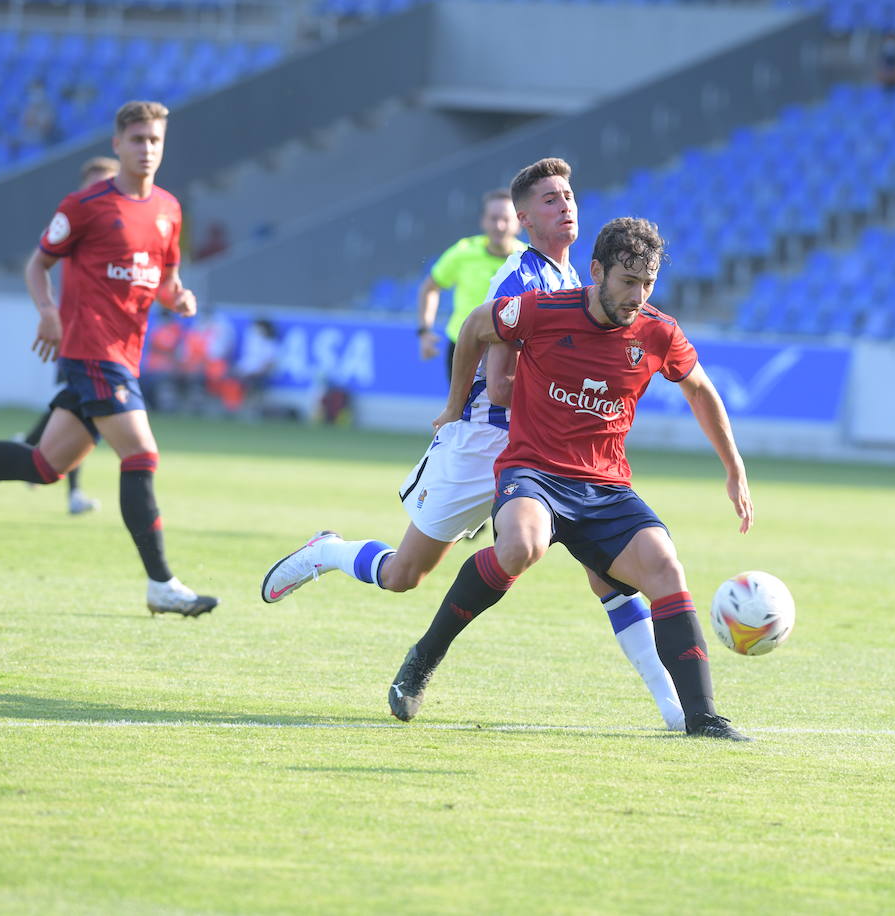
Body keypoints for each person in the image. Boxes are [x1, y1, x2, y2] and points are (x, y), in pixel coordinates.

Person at [261, 158, 686, 731]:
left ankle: (675, 709)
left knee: (610, 573)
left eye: (569, 195)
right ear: (523, 217)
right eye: (551, 199)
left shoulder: (579, 283)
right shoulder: (521, 278)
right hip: (488, 440)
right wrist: (467, 406)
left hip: (548, 455)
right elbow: (503, 379)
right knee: (404, 573)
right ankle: (329, 552)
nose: (566, 206)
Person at [391, 217, 755, 740]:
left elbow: (699, 388)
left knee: (666, 568)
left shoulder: (657, 331)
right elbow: (474, 327)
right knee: (520, 545)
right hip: (533, 471)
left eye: (647, 283)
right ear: (597, 271)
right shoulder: (543, 310)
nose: (637, 295)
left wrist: (733, 465)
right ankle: (425, 656)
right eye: (627, 282)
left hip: (605, 487)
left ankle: (702, 716)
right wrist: (453, 405)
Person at [0, 100, 218, 618]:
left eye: (155, 140)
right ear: (117, 143)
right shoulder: (86, 205)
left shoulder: (169, 210)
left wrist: (179, 299)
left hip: (124, 356)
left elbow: (165, 281)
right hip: (91, 350)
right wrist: (47, 312)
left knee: (44, 465)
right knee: (141, 455)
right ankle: (161, 583)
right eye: (137, 139)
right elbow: (38, 265)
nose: (147, 149)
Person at [18, 155, 122, 517]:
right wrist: (50, 312)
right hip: (78, 336)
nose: (101, 191)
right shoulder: (77, 225)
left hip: (106, 340)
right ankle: (65, 486)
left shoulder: (117, 225)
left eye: (107, 183)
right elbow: (39, 263)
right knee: (84, 410)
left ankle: (29, 448)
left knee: (76, 408)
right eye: (94, 184)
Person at [416, 189, 525, 379]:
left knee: (508, 408)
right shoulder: (463, 252)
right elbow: (430, 287)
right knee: (460, 409)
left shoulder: (527, 260)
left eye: (506, 219)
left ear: (518, 223)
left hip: (509, 350)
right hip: (463, 346)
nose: (499, 226)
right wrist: (425, 331)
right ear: (483, 221)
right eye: (493, 218)